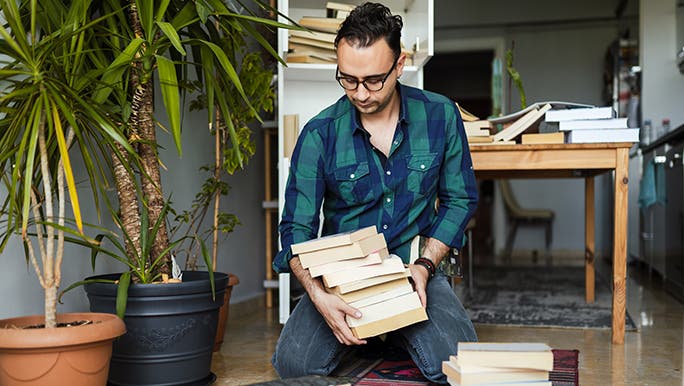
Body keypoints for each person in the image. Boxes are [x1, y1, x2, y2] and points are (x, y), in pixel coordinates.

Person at [271, 2, 478, 383]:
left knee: (455, 367)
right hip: (341, 280)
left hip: (415, 269)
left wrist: (425, 265)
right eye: (348, 79)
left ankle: (394, 330)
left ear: (399, 65)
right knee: (294, 367)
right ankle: (388, 330)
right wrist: (318, 295)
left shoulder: (441, 116)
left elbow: (460, 199)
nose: (360, 93)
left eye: (373, 80)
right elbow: (295, 229)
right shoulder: (320, 133)